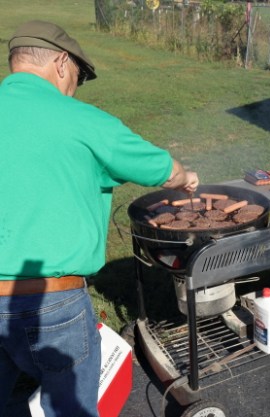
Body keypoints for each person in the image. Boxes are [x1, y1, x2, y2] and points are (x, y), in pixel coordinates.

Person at [0, 20, 199, 416]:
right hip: (49, 303)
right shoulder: (82, 121)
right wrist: (186, 178)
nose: (74, 88)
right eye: (77, 77)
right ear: (61, 63)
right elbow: (161, 168)